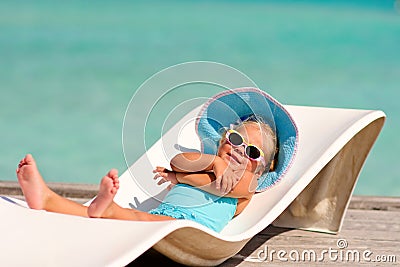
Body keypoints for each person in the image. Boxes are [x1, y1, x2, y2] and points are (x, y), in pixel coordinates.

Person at [16, 118, 276, 232]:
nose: (240, 150)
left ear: (262, 168)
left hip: (192, 231)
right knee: (128, 218)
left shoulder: (248, 184)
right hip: (164, 219)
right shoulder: (206, 163)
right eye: (235, 138)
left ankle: (109, 209)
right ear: (222, 140)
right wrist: (214, 162)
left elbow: (220, 189)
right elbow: (178, 161)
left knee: (127, 217)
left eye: (252, 151)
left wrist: (180, 178)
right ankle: (47, 199)